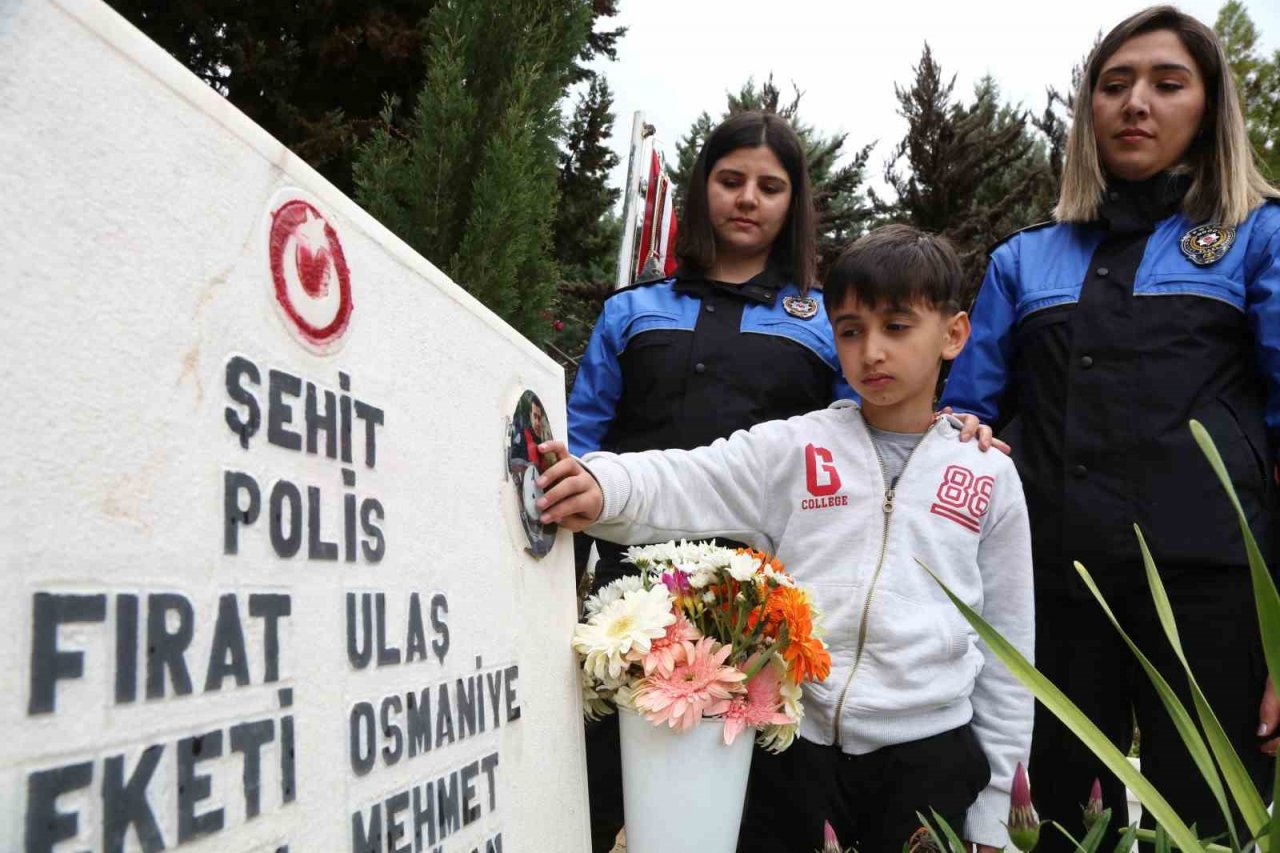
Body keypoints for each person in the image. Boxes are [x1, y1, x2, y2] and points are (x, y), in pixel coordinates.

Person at [543, 225, 1034, 852]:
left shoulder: (987, 473)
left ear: (954, 334)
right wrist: (600, 484)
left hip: (929, 757)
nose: (872, 352)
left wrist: (998, 815)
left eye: (897, 326)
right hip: (794, 747)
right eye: (851, 330)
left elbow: (1011, 654)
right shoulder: (797, 445)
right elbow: (690, 477)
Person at [940, 6, 1279, 846]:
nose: (1137, 103)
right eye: (1115, 84)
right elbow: (965, 421)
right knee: (1058, 826)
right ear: (1088, 111)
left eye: (1168, 84)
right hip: (1055, 600)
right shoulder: (1026, 259)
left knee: (1209, 829)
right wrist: (967, 434)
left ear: (1210, 109)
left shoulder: (1259, 238)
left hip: (1216, 600)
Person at [566, 110, 855, 852]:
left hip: (760, 607)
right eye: (730, 180)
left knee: (760, 810)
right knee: (605, 791)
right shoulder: (632, 311)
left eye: (769, 185)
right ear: (703, 190)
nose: (748, 199)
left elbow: (858, 445)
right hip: (627, 603)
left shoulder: (824, 322)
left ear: (795, 203)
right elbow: (584, 443)